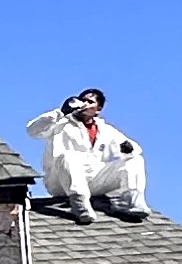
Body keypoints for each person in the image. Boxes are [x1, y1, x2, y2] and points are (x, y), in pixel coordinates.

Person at [26, 88, 149, 222]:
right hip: (62, 181)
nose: (84, 104)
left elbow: (134, 149)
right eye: (82, 100)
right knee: (70, 156)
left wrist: (129, 148)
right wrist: (61, 112)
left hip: (93, 181)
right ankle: (80, 206)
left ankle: (132, 203)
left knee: (134, 160)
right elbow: (33, 130)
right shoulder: (61, 124)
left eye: (89, 102)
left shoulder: (107, 131)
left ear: (98, 109)